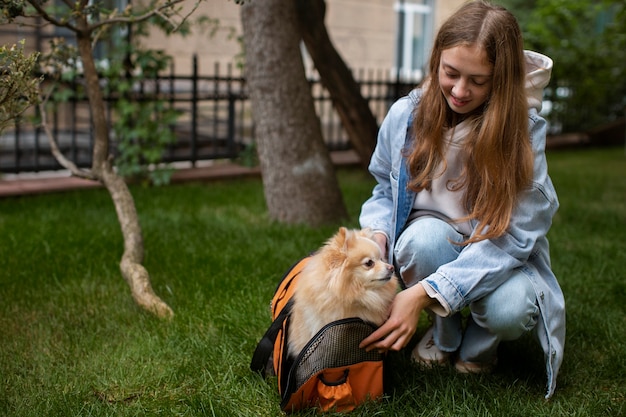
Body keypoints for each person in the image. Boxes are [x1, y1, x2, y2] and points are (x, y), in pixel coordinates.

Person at [358, 0, 565, 399]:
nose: (459, 90)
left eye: (478, 80)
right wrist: (377, 238)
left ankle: (479, 349)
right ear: (436, 61)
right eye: (450, 73)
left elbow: (517, 236)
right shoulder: (407, 115)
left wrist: (419, 294)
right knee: (421, 241)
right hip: (432, 241)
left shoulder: (521, 133)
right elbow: (384, 187)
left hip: (495, 251)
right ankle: (444, 335)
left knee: (510, 310)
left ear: (501, 80)